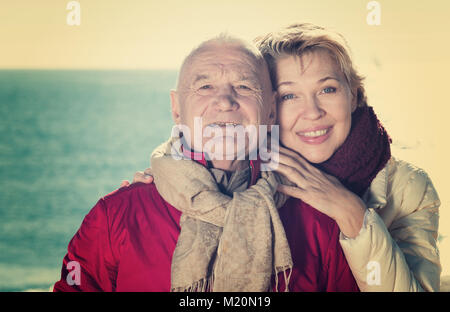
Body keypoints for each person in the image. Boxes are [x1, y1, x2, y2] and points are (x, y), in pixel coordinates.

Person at [131, 23, 441, 292]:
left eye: (328, 89)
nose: (313, 112)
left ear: (355, 94)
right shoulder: (248, 179)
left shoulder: (408, 187)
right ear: (267, 105)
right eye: (290, 95)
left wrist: (352, 213)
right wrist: (173, 179)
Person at [53, 34, 358, 292]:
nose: (225, 101)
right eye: (205, 87)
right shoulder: (115, 217)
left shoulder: (320, 223)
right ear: (176, 108)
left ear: (270, 112)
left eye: (244, 87)